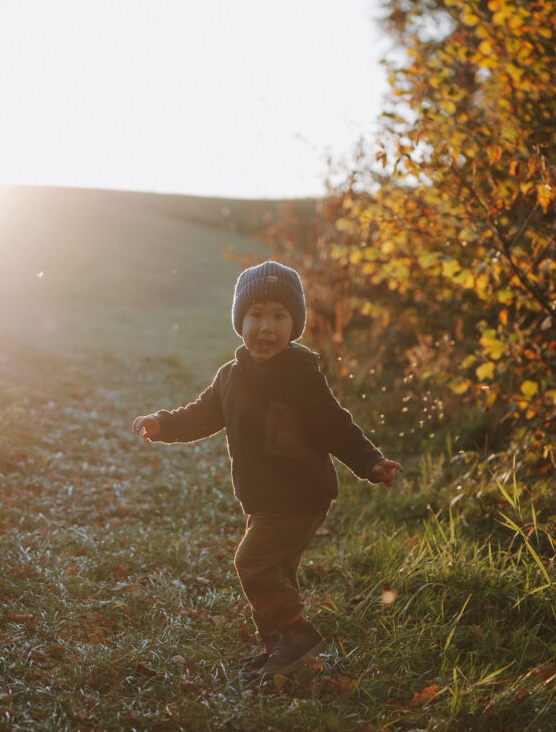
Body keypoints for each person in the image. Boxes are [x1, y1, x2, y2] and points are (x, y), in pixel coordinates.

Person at [132, 261, 402, 678]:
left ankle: (296, 635)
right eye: (256, 315)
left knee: (253, 563)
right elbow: (200, 416)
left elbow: (336, 426)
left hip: (300, 496)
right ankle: (280, 648)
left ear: (294, 325)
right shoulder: (230, 377)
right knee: (275, 572)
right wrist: (163, 424)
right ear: (240, 320)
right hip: (262, 499)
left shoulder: (302, 376)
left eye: (279, 317)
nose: (266, 327)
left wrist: (370, 461)